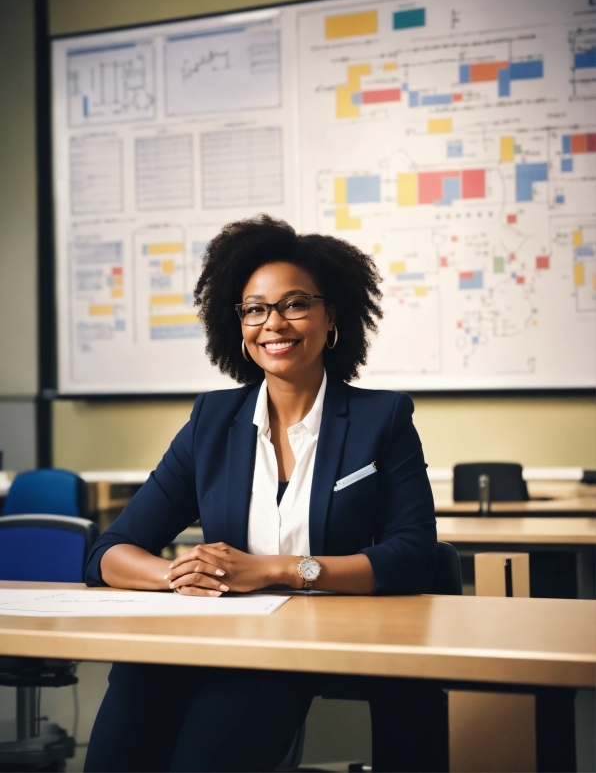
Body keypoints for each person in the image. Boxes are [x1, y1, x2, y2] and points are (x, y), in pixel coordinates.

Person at [84, 215, 439, 773]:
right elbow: (111, 551)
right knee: (121, 734)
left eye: (295, 304)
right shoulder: (212, 420)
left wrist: (279, 570)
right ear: (239, 326)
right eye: (255, 309)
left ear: (331, 317)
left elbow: (415, 557)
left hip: (303, 646)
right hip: (201, 634)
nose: (274, 323)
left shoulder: (382, 418)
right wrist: (184, 576)